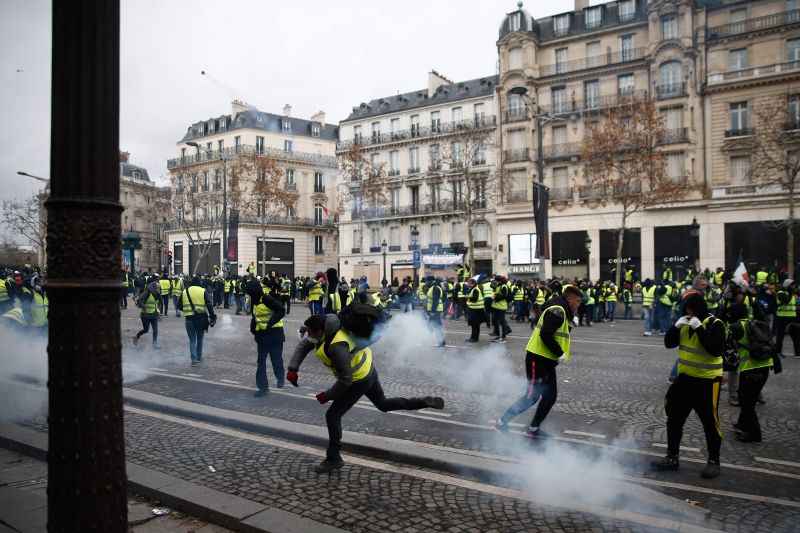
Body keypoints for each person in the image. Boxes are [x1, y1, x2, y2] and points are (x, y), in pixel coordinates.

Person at [286, 313, 445, 473]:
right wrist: (293, 368)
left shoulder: (336, 347)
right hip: (368, 370)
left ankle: (333, 458)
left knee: (333, 415)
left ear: (321, 331)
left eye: (311, 332)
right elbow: (304, 345)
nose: (309, 335)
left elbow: (345, 380)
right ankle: (423, 401)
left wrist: (327, 395)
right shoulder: (325, 330)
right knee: (383, 404)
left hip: (358, 380)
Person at [651, 293, 724, 479]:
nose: (689, 313)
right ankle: (672, 457)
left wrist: (699, 328)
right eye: (686, 310)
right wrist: (676, 327)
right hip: (684, 380)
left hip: (708, 381)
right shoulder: (684, 323)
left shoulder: (715, 324)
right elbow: (669, 343)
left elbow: (715, 349)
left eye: (691, 309)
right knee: (674, 419)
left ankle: (714, 461)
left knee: (710, 422)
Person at [495, 285, 582, 437]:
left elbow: (553, 329)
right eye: (577, 301)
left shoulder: (562, 310)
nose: (578, 305)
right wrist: (559, 352)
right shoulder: (558, 310)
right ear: (570, 299)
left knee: (550, 397)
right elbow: (546, 334)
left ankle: (533, 429)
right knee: (532, 396)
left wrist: (571, 321)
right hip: (537, 358)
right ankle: (502, 422)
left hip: (547, 360)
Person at [727, 303, 781, 443]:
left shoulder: (735, 327)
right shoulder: (754, 323)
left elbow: (726, 344)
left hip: (750, 369)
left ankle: (754, 434)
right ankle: (742, 425)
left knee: (747, 403)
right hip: (765, 366)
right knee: (748, 398)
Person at [250, 281, 286, 396]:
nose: (249, 296)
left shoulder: (266, 299)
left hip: (275, 334)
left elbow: (281, 310)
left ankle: (280, 378)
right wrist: (254, 331)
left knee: (276, 360)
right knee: (261, 362)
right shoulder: (254, 301)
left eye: (250, 293)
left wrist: (270, 324)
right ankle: (263, 388)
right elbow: (255, 317)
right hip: (262, 336)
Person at [181, 277, 217, 366]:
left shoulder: (185, 291)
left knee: (192, 340)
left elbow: (179, 305)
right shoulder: (202, 291)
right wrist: (212, 316)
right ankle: (199, 357)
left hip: (189, 319)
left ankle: (193, 360)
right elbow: (209, 304)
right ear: (199, 282)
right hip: (200, 319)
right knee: (200, 339)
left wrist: (187, 310)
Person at [773, 279, 798, 357]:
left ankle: (798, 353)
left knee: (796, 336)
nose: (793, 287)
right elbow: (785, 301)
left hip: (792, 317)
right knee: (780, 336)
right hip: (782, 317)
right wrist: (790, 293)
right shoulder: (780, 293)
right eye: (792, 285)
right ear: (787, 285)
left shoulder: (794, 294)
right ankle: (778, 352)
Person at [133, 280, 160, 348]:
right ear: (153, 288)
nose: (158, 289)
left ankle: (154, 344)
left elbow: (160, 303)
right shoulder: (147, 293)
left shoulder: (157, 294)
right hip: (145, 315)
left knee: (155, 330)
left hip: (154, 314)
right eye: (157, 288)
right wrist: (143, 306)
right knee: (146, 330)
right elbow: (139, 301)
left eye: (159, 288)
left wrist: (158, 310)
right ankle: (136, 336)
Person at [491, 275, 511, 342]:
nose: (494, 281)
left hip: (501, 307)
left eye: (495, 280)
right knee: (496, 321)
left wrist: (495, 297)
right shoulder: (498, 286)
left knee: (502, 322)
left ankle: (503, 337)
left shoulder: (504, 286)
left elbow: (504, 296)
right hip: (496, 306)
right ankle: (498, 335)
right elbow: (496, 293)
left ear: (498, 280)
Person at [426, 279, 446, 347]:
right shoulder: (438, 287)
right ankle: (441, 341)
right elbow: (444, 298)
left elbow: (435, 300)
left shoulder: (435, 288)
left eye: (427, 281)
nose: (426, 283)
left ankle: (441, 342)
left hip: (435, 310)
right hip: (437, 309)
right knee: (436, 325)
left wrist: (432, 311)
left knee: (436, 325)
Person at [465, 278, 485, 343]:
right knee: (474, 325)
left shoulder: (475, 289)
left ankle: (474, 338)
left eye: (469, 283)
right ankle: (473, 337)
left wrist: (468, 297)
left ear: (472, 283)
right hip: (475, 309)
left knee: (475, 325)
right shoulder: (473, 289)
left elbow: (475, 299)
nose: (468, 284)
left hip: (476, 310)